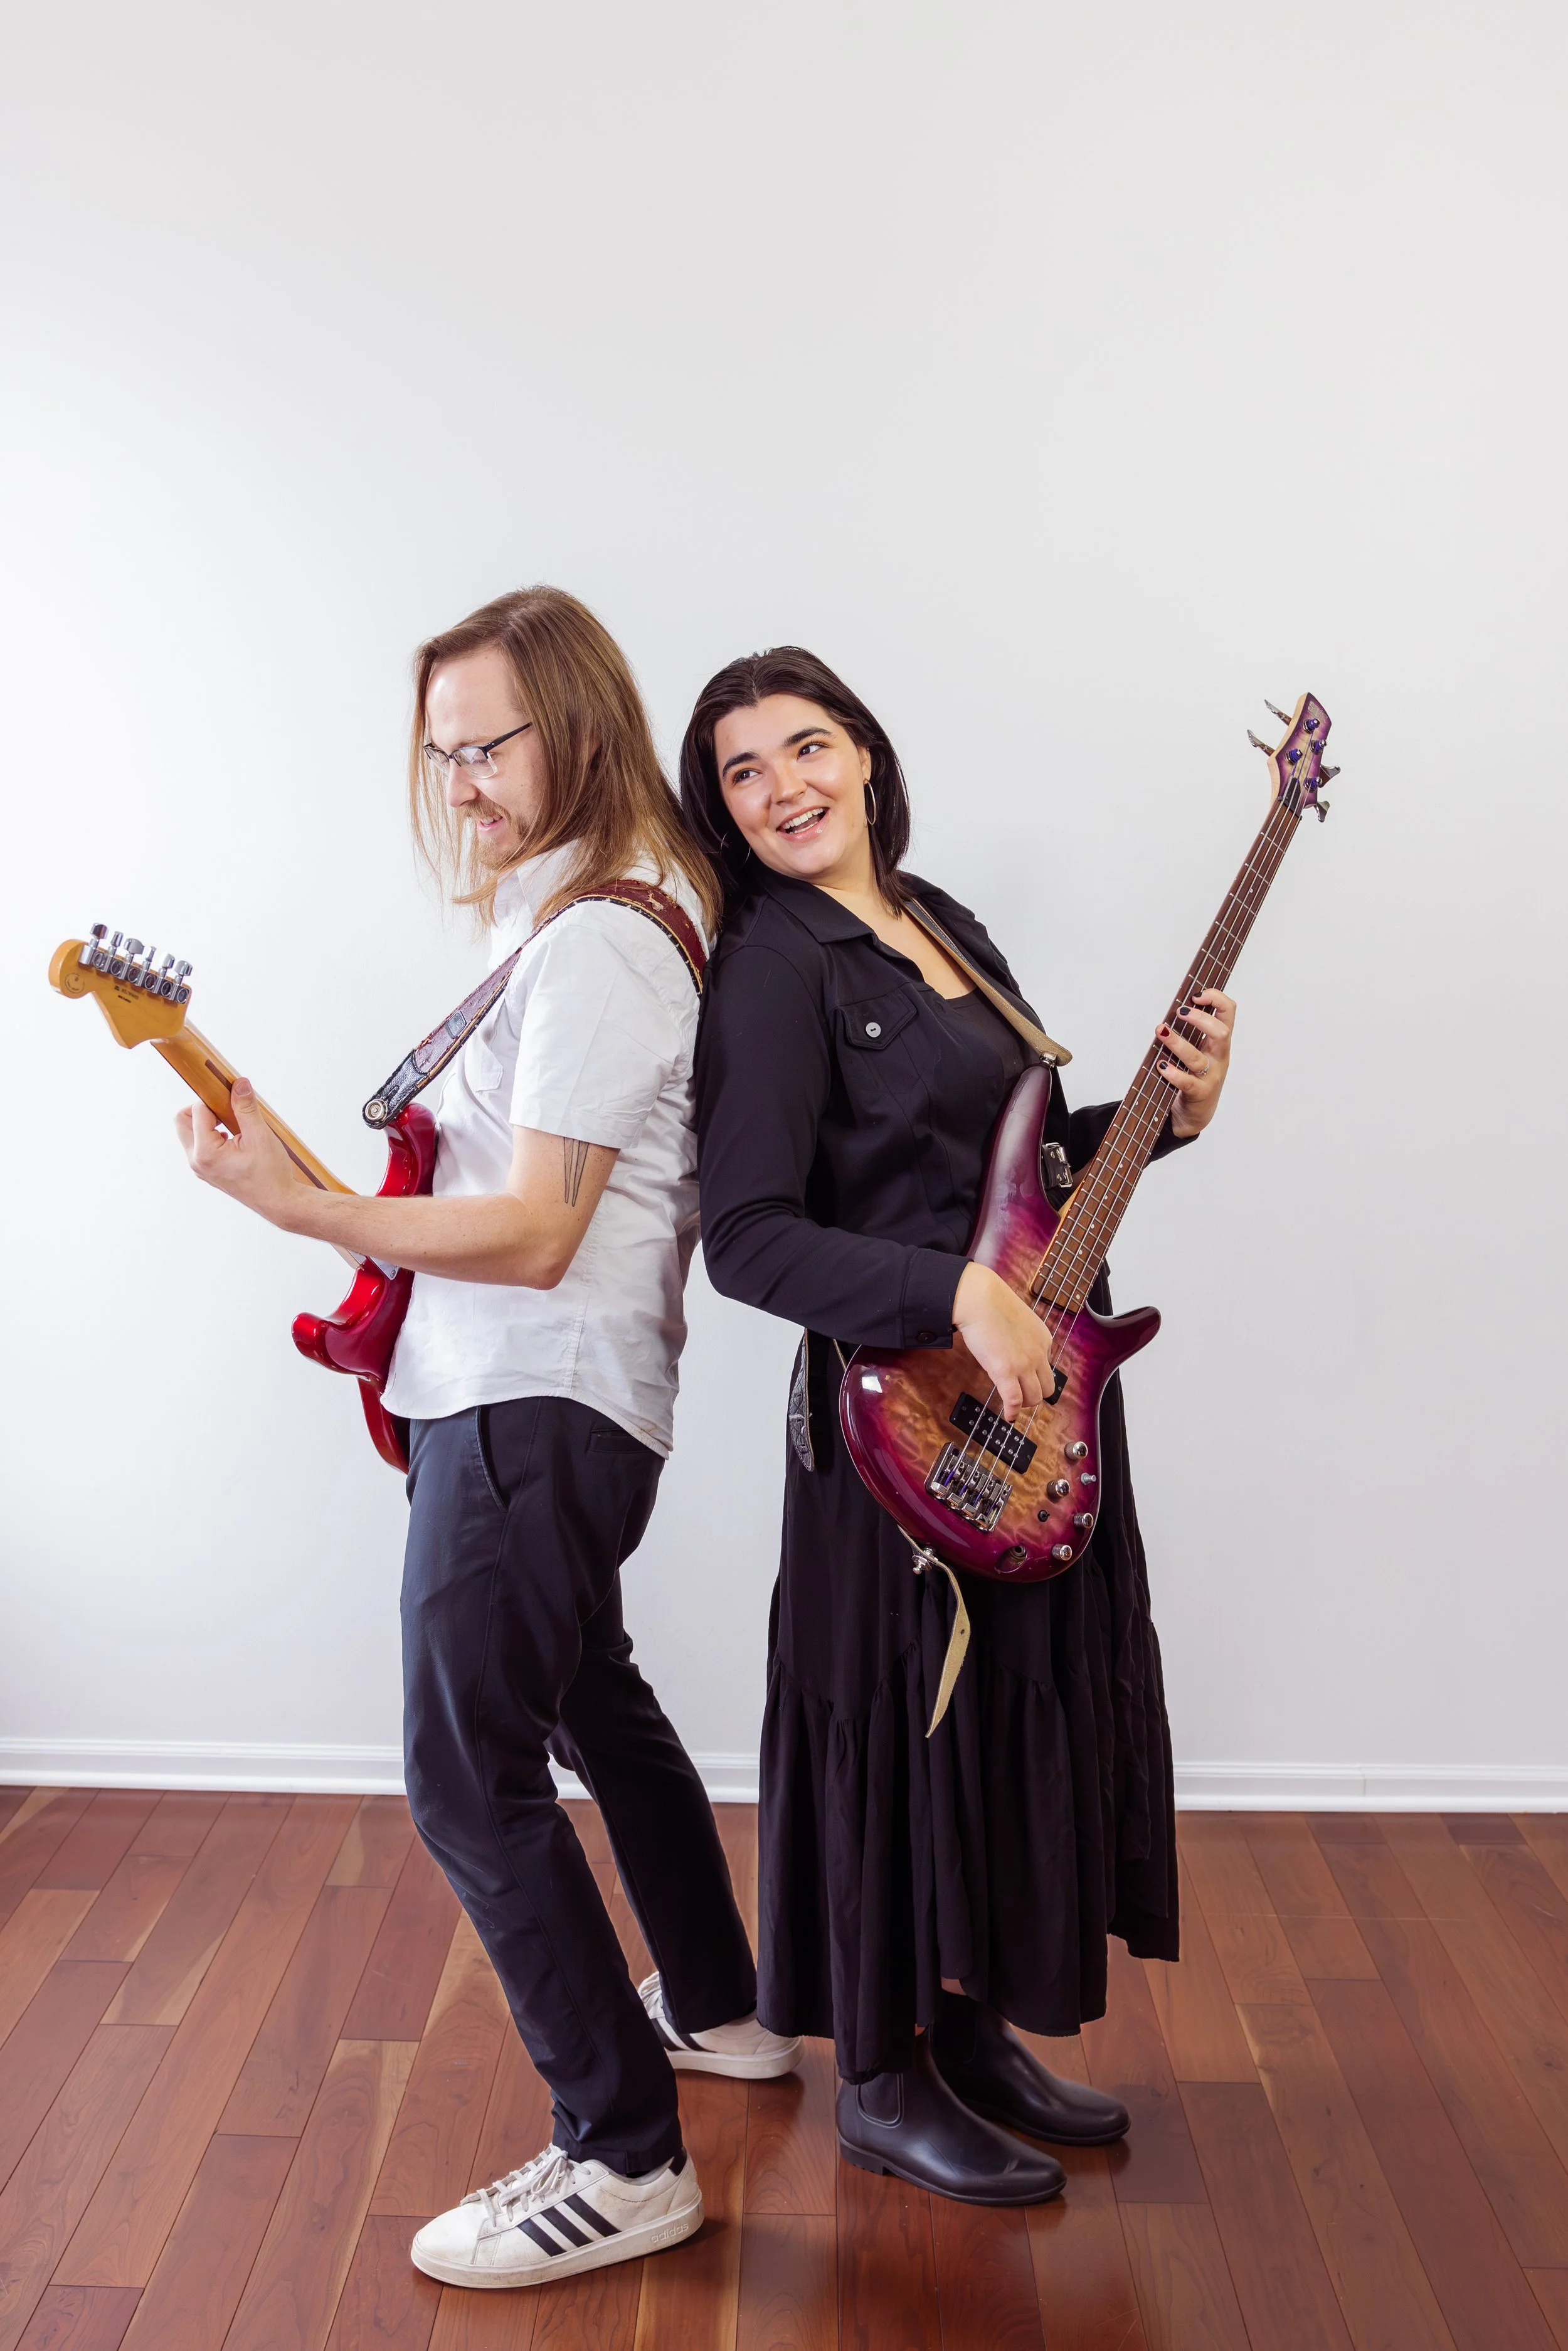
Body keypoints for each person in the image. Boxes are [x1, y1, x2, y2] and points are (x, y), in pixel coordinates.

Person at [178, 587, 800, 2291]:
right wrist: (302, 1180)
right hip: (544, 1398)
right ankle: (722, 2007)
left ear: (577, 729)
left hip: (531, 1392)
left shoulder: (599, 940)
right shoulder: (571, 921)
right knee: (590, 1689)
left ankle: (620, 2154)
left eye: (486, 745)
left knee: (465, 1775)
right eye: (437, 750)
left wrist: (298, 1208)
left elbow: (534, 1229)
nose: (456, 780)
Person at [680, 647, 1234, 2206]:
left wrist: (1159, 1113)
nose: (783, 784)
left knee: (996, 1716)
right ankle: (878, 2071)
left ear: (862, 755)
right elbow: (750, 1236)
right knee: (896, 1718)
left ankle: (973, 2032)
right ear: (721, 811)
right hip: (887, 1427)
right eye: (742, 769)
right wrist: (948, 1295)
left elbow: (1022, 1164)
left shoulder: (944, 928)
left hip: (1027, 1406)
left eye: (805, 745)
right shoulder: (772, 966)